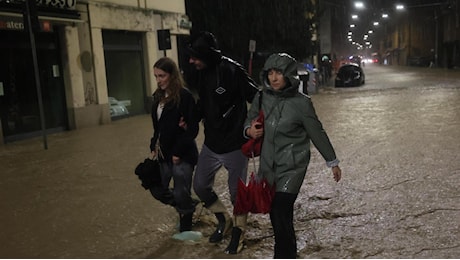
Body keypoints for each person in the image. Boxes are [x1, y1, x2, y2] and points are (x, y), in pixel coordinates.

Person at [244, 53, 342, 258]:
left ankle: (283, 256)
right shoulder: (261, 97)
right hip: (268, 165)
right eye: (270, 73)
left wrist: (332, 162)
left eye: (278, 73)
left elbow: (317, 132)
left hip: (293, 166)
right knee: (278, 215)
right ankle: (289, 253)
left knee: (280, 211)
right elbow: (249, 119)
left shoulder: (302, 103)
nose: (274, 78)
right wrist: (249, 130)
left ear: (289, 75)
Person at [185, 31, 259, 254]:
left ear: (206, 54)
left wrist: (255, 125)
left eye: (194, 56)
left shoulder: (233, 69)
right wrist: (190, 119)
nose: (191, 61)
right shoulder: (201, 73)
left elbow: (256, 96)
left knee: (237, 193)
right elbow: (204, 103)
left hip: (236, 144)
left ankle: (239, 234)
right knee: (199, 186)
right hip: (211, 143)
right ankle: (224, 220)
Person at [149, 57, 200, 233]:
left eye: (162, 76)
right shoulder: (157, 96)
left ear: (172, 75)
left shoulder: (185, 96)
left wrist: (179, 151)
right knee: (156, 188)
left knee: (180, 191)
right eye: (156, 76)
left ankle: (186, 229)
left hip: (183, 154)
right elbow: (158, 126)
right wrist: (153, 145)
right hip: (163, 153)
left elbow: (193, 129)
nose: (158, 80)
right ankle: (188, 204)